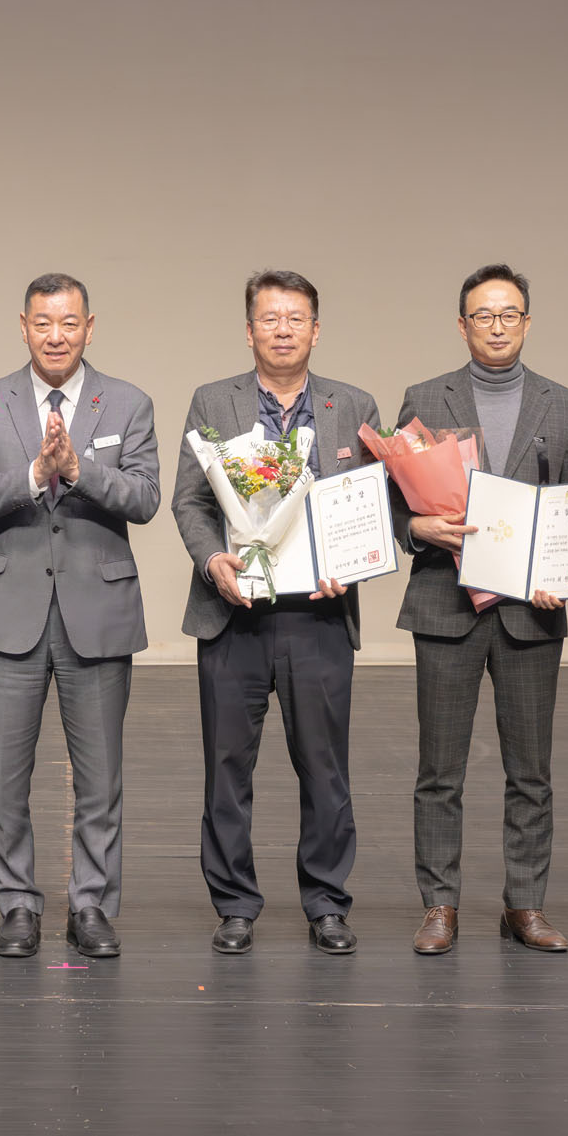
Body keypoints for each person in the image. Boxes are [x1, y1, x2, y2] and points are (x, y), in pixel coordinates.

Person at [172, 268, 381, 957]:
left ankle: (326, 902)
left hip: (318, 616)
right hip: (233, 613)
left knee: (324, 767)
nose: (282, 330)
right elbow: (190, 500)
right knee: (227, 768)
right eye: (270, 318)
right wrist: (213, 560)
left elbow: (371, 504)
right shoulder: (213, 400)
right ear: (249, 330)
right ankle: (234, 903)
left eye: (295, 318)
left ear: (316, 330)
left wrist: (350, 564)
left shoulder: (354, 405)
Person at [0, 272, 160, 959]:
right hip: (6, 609)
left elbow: (145, 497)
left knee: (100, 778)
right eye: (43, 322)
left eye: (69, 323)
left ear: (89, 327)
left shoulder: (128, 402)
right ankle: (17, 904)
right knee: (2, 778)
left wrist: (77, 470)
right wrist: (35, 475)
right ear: (23, 326)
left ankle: (91, 904)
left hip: (96, 612)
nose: (55, 335)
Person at [391, 263, 568, 955]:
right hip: (446, 606)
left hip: (530, 613)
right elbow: (394, 500)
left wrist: (561, 573)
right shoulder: (426, 396)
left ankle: (525, 905)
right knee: (438, 770)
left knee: (530, 771)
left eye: (509, 314)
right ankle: (439, 905)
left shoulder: (564, 404)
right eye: (483, 315)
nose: (497, 326)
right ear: (462, 325)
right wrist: (419, 529)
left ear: (527, 322)